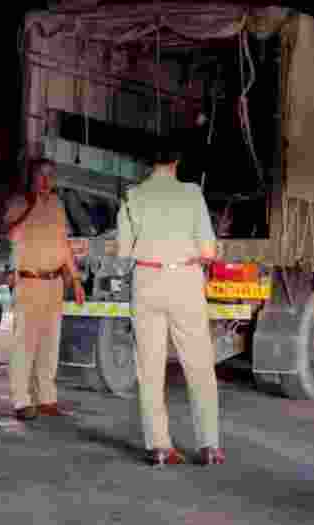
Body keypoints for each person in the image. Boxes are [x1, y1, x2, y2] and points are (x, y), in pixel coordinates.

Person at [116, 135, 224, 467]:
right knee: (199, 366)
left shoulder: (133, 196)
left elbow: (123, 251)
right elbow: (208, 251)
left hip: (146, 282)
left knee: (149, 369)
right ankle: (208, 445)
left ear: (150, 163)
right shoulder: (192, 194)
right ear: (176, 162)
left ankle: (160, 446)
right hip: (184, 282)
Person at [4, 158, 85, 421]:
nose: (47, 180)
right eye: (41, 175)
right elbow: (11, 235)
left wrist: (75, 279)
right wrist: (31, 209)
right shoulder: (20, 202)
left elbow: (64, 244)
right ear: (32, 176)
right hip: (29, 281)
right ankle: (20, 400)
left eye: (51, 175)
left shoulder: (58, 205)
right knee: (25, 344)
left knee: (50, 344)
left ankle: (46, 399)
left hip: (54, 284)